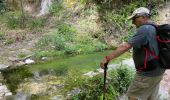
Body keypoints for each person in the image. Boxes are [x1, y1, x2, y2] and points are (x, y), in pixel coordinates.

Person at [100, 7, 165, 100]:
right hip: (158, 70)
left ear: (143, 17)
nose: (133, 22)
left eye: (134, 19)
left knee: (132, 96)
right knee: (151, 97)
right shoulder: (155, 27)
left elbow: (125, 47)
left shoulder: (145, 29)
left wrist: (107, 58)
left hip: (147, 73)